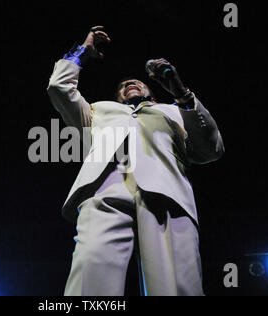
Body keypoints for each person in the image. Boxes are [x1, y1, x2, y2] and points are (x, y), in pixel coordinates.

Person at [47, 26, 225, 296]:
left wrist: (182, 93)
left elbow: (211, 149)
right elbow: (58, 88)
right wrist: (81, 52)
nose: (129, 84)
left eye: (137, 82)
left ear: (153, 93)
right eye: (122, 86)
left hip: (167, 194)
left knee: (175, 285)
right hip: (103, 192)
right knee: (90, 276)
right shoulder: (97, 111)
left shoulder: (174, 110)